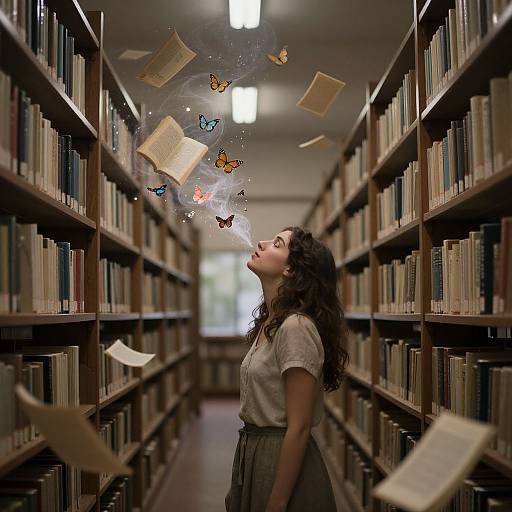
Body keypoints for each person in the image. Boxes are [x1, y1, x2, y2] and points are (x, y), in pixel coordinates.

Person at [225, 226, 349, 512]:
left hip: (280, 460)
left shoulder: (295, 328)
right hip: (255, 453)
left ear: (291, 269)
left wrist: (277, 503)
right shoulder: (271, 323)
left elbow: (300, 425)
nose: (262, 242)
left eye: (276, 243)